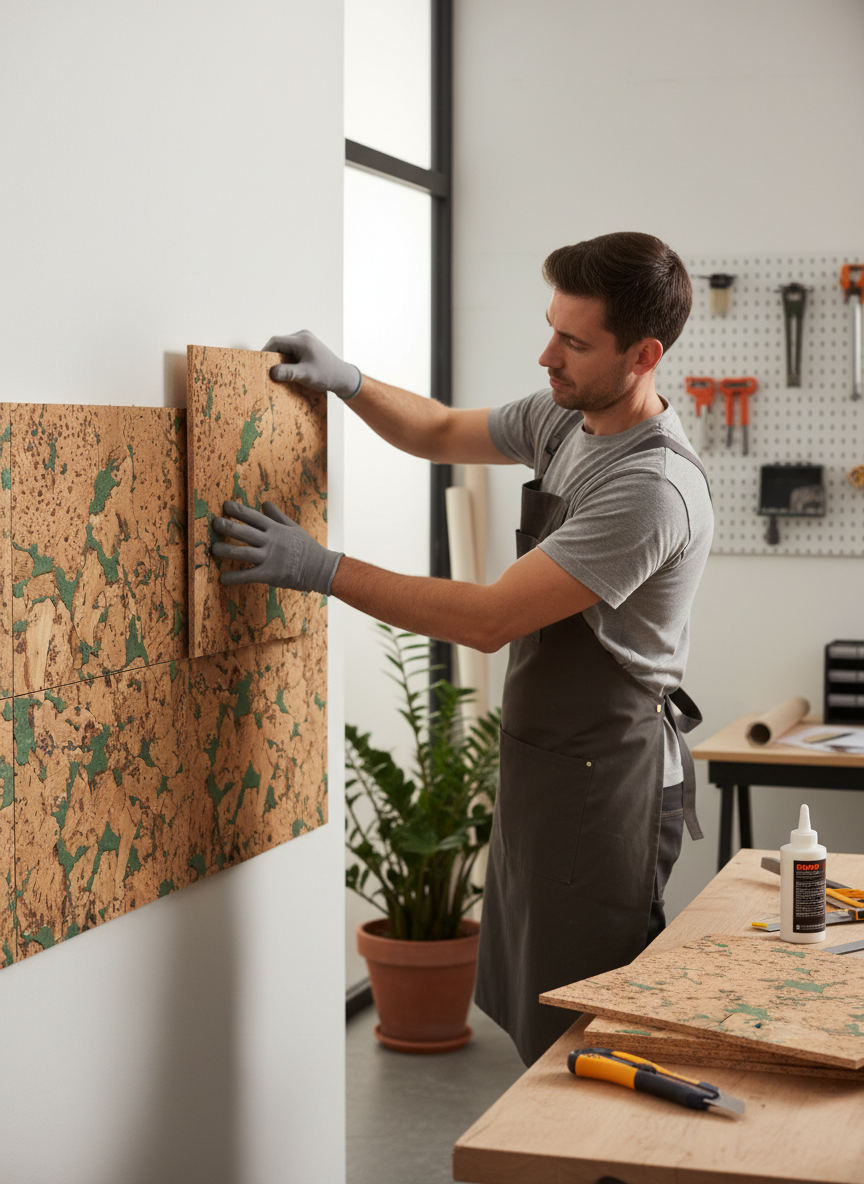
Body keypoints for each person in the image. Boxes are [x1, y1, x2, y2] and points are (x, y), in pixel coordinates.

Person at [212, 231, 714, 1067]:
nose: (546, 354)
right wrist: (350, 382)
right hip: (550, 763)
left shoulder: (649, 489)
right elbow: (442, 430)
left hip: (608, 780)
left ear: (643, 355)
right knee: (537, 1015)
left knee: (583, 1026)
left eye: (574, 341)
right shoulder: (568, 416)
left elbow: (487, 620)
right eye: (551, 326)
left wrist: (323, 568)